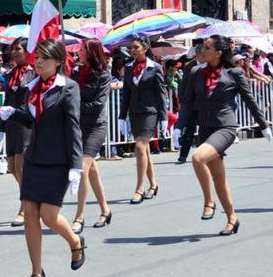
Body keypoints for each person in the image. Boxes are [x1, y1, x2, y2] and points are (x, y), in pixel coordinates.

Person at [0, 39, 86, 277]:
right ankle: (36, 272)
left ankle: (75, 242)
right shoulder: (32, 86)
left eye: (44, 58)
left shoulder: (68, 87)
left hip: (58, 160)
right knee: (29, 214)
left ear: (58, 62)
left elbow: (73, 128)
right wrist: (13, 114)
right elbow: (32, 121)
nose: (38, 62)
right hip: (34, 157)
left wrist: (76, 166)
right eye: (37, 57)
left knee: (49, 216)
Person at [173, 35, 272, 235]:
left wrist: (263, 125)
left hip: (225, 127)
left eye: (207, 47)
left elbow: (249, 100)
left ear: (218, 53)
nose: (202, 49)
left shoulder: (234, 72)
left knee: (198, 158)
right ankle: (232, 218)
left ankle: (209, 202)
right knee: (219, 177)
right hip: (205, 128)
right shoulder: (195, 72)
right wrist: (178, 126)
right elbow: (187, 101)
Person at [118, 36, 168, 204]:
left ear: (145, 49)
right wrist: (121, 117)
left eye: (136, 47)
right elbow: (127, 94)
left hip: (150, 112)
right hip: (135, 112)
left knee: (140, 147)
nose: (132, 50)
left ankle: (139, 188)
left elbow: (161, 94)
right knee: (144, 150)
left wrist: (164, 118)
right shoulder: (129, 68)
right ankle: (153, 185)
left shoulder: (154, 68)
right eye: (131, 48)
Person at [69, 39, 112, 234]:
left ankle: (79, 217)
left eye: (83, 49)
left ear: (91, 52)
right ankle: (105, 210)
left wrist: (74, 108)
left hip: (95, 126)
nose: (79, 52)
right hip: (78, 126)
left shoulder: (104, 75)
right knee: (92, 171)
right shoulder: (76, 72)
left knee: (82, 170)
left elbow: (97, 104)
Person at [0, 37, 36, 226]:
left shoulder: (34, 73)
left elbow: (34, 99)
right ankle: (31, 195)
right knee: (12, 166)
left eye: (18, 49)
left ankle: (25, 207)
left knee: (20, 165)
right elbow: (6, 102)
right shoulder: (10, 74)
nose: (14, 53)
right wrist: (1, 128)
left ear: (27, 51)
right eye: (13, 49)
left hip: (26, 123)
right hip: (11, 123)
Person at [176, 46, 202, 164]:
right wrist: (181, 101)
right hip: (192, 103)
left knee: (206, 129)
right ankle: (183, 155)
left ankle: (209, 152)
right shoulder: (190, 66)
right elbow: (183, 84)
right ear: (197, 54)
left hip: (206, 103)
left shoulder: (211, 64)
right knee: (189, 130)